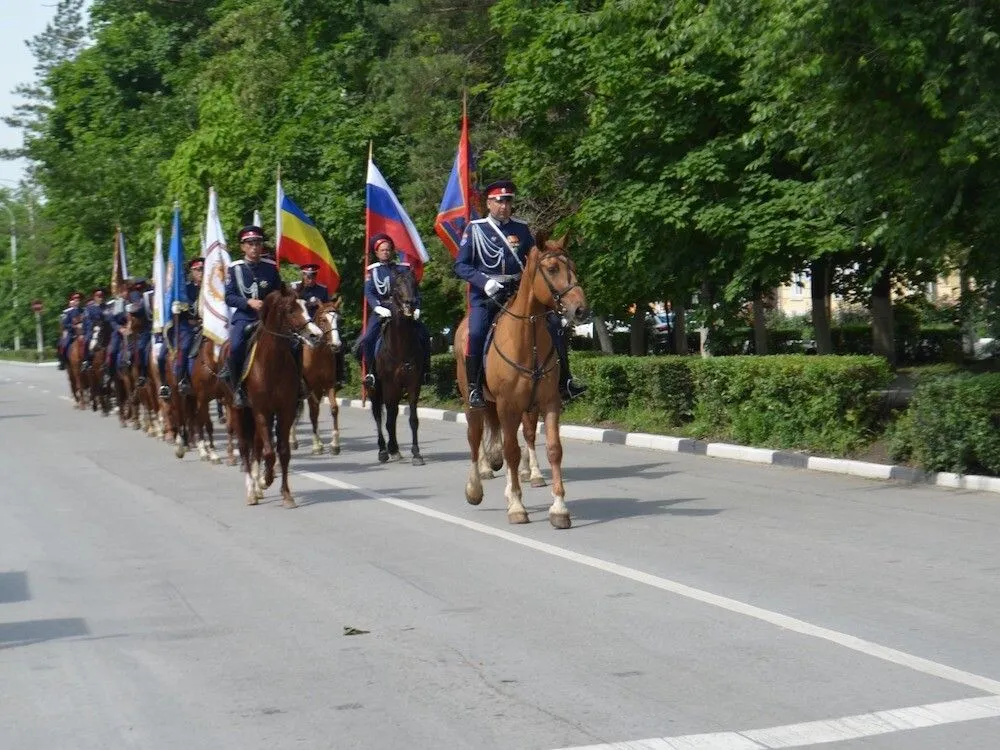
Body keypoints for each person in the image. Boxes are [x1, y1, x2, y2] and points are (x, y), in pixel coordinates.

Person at [453, 179, 586, 409]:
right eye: (498, 201)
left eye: (507, 201)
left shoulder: (521, 229)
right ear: (489, 203)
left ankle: (565, 381)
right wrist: (485, 282)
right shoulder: (475, 229)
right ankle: (475, 388)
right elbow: (461, 266)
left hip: (517, 292)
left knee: (555, 324)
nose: (504, 206)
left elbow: (535, 263)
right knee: (475, 332)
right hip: (486, 296)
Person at [354, 233, 432, 389]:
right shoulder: (372, 271)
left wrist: (417, 307)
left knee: (424, 334)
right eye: (382, 250)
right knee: (367, 339)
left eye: (388, 249)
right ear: (376, 253)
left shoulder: (403, 268)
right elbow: (369, 292)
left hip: (404, 310)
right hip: (382, 310)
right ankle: (371, 373)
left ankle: (425, 371)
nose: (385, 252)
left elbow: (413, 291)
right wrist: (377, 308)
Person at [219, 225, 282, 408]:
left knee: (293, 343)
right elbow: (229, 297)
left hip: (268, 318)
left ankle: (298, 384)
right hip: (245, 317)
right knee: (237, 345)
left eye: (258, 243)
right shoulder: (235, 269)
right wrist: (248, 303)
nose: (254, 247)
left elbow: (278, 291)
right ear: (243, 247)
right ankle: (238, 388)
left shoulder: (270, 268)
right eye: (250, 243)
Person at [158, 258, 204, 399]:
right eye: (197, 270)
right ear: (192, 272)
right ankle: (179, 380)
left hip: (210, 325)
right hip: (187, 327)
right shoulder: (184, 290)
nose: (201, 272)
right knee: (179, 349)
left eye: (203, 269)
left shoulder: (212, 288)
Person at [80, 289, 106, 372]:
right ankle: (87, 361)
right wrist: (94, 326)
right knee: (87, 341)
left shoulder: (106, 307)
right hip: (93, 330)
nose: (100, 298)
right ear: (94, 297)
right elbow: (87, 320)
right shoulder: (89, 308)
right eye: (98, 296)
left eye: (101, 296)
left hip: (105, 329)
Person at [57, 292, 84, 371]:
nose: (77, 300)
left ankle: (88, 361)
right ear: (72, 300)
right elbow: (65, 324)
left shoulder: (84, 311)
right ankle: (63, 361)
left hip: (83, 333)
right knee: (63, 344)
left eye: (78, 299)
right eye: (75, 299)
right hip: (71, 333)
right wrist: (74, 326)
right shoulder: (67, 312)